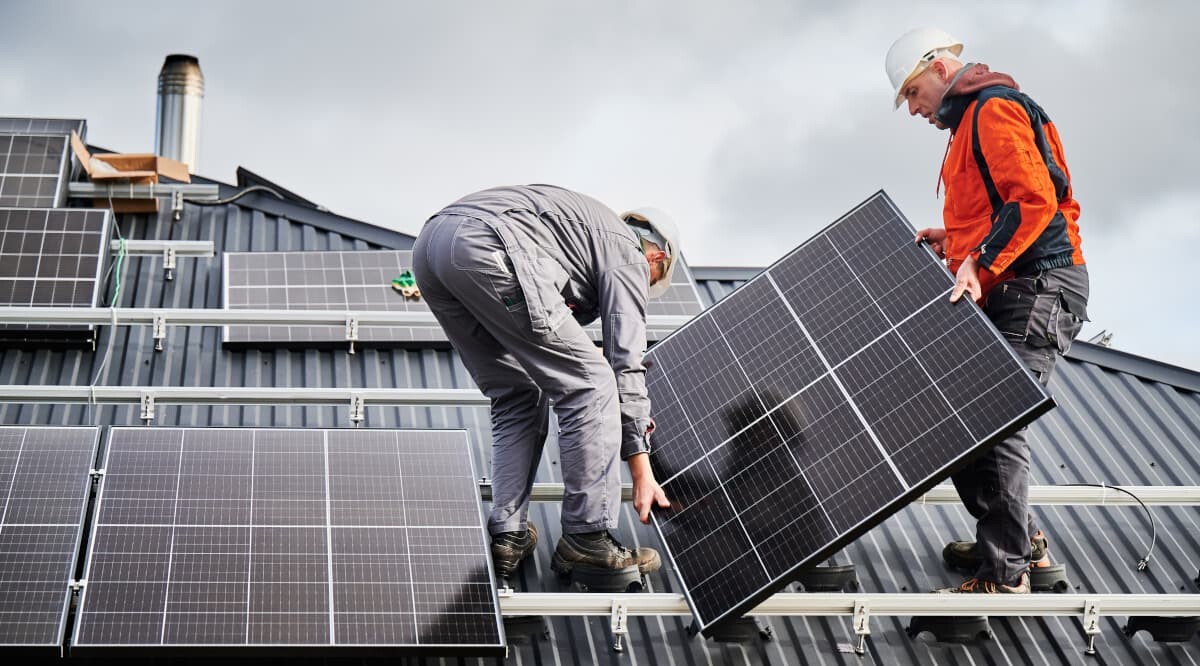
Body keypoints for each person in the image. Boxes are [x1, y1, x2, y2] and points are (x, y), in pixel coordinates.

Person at [885, 28, 1091, 593]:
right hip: (1012, 283)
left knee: (996, 418)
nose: (914, 110)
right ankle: (1023, 542)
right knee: (961, 422)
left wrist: (976, 260)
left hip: (1038, 285)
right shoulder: (967, 125)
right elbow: (993, 210)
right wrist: (954, 241)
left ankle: (1006, 572)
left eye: (912, 93)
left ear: (938, 68)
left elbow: (1032, 200)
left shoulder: (994, 108)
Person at [411, 184, 676, 584]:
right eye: (651, 280)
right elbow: (625, 362)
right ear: (656, 256)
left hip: (432, 249)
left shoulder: (582, 232)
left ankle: (508, 532)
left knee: (516, 393)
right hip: (489, 244)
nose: (643, 287)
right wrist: (641, 465)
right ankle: (587, 536)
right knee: (591, 382)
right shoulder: (628, 252)